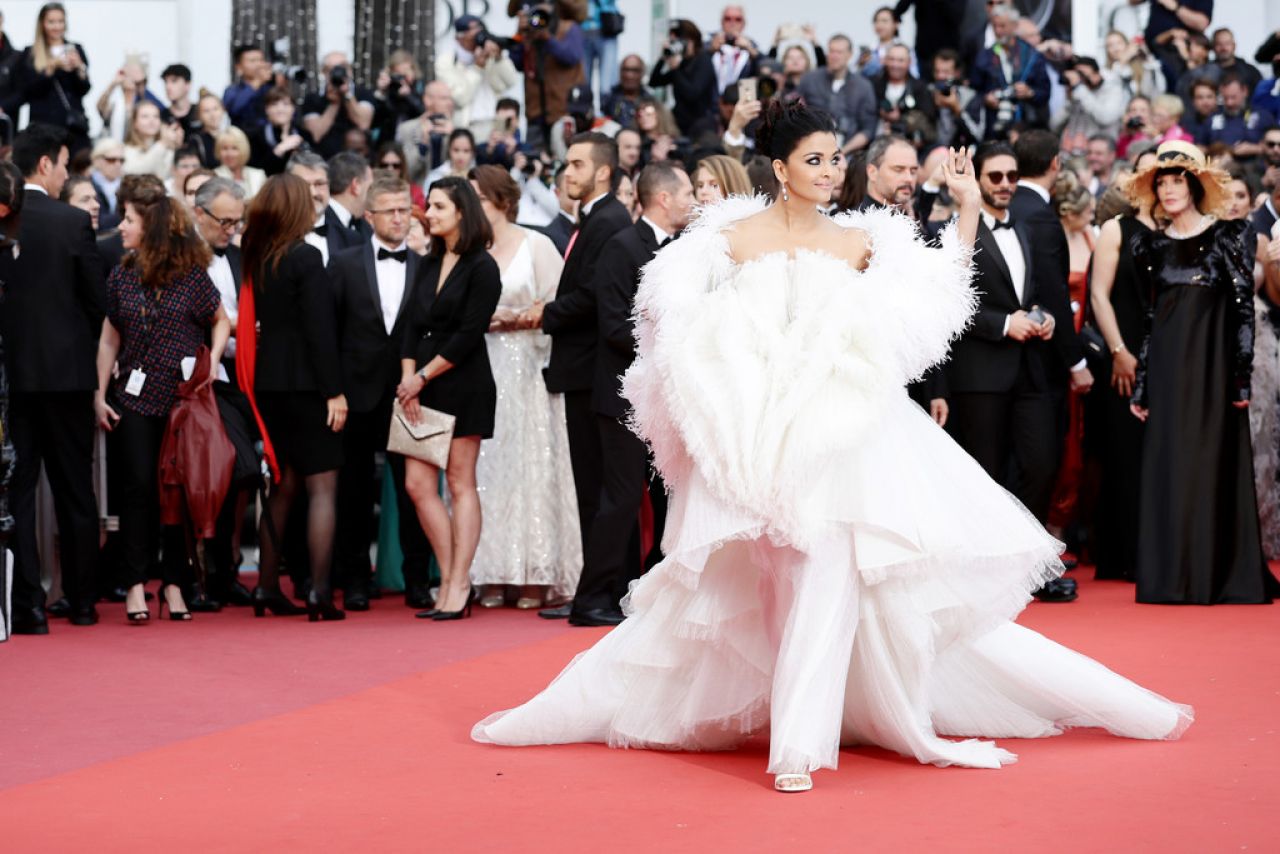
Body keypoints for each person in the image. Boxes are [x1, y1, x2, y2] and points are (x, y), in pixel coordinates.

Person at [471, 100, 1194, 792]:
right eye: (814, 160)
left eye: (835, 160)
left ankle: (799, 742)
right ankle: (778, 708)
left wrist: (967, 205)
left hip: (849, 441)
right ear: (780, 169)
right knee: (759, 589)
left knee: (826, 574)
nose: (829, 172)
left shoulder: (861, 241)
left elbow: (940, 291)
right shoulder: (728, 241)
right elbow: (674, 334)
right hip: (758, 443)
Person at [1127, 140, 1275, 604]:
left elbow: (1243, 313)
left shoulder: (1230, 236)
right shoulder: (1147, 245)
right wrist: (1145, 384)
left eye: (1176, 181)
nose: (1169, 190)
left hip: (1213, 372)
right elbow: (1150, 320)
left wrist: (1241, 376)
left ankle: (1213, 576)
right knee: (1170, 468)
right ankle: (1170, 578)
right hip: (1169, 373)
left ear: (1193, 184)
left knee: (1210, 466)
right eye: (1161, 183)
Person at [560, 161, 693, 627]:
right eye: (688, 192)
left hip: (663, 397)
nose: (693, 200)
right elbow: (613, 325)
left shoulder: (681, 250)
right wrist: (674, 342)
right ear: (664, 198)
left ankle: (635, 593)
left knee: (661, 498)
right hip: (622, 396)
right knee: (619, 498)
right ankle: (589, 598)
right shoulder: (621, 247)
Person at [93, 181, 229, 623]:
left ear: (152, 227)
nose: (122, 227)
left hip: (179, 400)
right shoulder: (121, 274)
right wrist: (98, 393)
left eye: (130, 220)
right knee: (135, 490)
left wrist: (206, 371)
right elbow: (109, 339)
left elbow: (220, 320)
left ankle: (174, 583)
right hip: (131, 399)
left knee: (175, 493)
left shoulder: (192, 277)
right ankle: (135, 585)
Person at [519, 133, 632, 619]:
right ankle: (604, 591)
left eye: (577, 164)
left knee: (602, 490)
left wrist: (546, 313)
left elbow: (592, 296)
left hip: (593, 370)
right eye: (566, 164)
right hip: (585, 368)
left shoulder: (609, 220)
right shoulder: (599, 218)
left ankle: (601, 593)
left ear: (603, 172)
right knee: (595, 489)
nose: (567, 172)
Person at [3, 125, 106, 633]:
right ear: (44, 164)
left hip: (14, 381)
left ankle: (28, 609)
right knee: (75, 489)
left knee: (17, 493)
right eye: (65, 164)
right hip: (67, 377)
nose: (69, 174)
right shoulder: (71, 222)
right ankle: (84, 603)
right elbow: (96, 302)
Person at [464, 165, 581, 610]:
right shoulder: (468, 249)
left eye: (477, 196)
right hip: (482, 366)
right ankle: (488, 572)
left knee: (530, 468)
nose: (471, 205)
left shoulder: (537, 244)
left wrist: (526, 316)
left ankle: (535, 573)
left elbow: (560, 303)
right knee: (484, 471)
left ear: (501, 199)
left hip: (529, 369)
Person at [238, 174, 349, 621]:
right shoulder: (305, 257)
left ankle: (266, 586)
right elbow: (320, 332)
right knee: (323, 485)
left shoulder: (257, 257)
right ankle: (320, 592)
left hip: (269, 385)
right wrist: (335, 392)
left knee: (282, 487)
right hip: (307, 385)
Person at [395, 177, 502, 621]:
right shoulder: (426, 262)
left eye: (438, 206)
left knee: (460, 482)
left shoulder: (482, 267)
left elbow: (466, 336)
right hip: (417, 387)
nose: (429, 213)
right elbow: (407, 326)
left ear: (462, 212)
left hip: (463, 382)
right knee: (418, 485)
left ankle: (457, 585)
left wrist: (420, 377)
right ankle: (452, 575)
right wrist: (407, 383)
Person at [327, 175, 434, 611]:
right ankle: (355, 579)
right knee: (352, 491)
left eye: (404, 210)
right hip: (356, 396)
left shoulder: (428, 267)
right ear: (368, 216)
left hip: (408, 396)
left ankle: (416, 579)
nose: (398, 218)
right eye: (389, 210)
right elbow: (329, 332)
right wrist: (334, 392)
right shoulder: (344, 263)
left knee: (415, 491)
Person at [1087, 149, 1158, 581]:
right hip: (1124, 357)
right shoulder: (1116, 228)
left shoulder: (1178, 231)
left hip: (1167, 357)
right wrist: (1118, 351)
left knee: (1162, 455)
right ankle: (1124, 554)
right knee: (1126, 455)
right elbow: (1098, 295)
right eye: (1146, 168)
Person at [188, 177, 256, 609]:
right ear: (199, 213)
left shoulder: (239, 257)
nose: (230, 229)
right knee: (204, 475)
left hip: (237, 374)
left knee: (240, 472)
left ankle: (223, 569)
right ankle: (194, 574)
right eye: (224, 221)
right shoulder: (179, 257)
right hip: (191, 378)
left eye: (237, 222)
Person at [1045, 172, 1095, 546]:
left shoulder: (1091, 238)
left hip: (1088, 345)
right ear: (1070, 214)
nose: (1091, 219)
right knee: (1062, 438)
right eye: (1088, 213)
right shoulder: (1054, 240)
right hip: (1059, 346)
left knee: (1083, 436)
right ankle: (1053, 523)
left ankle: (1077, 521)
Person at [506, 0, 586, 151]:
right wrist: (519, 34)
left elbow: (572, 56)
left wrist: (548, 38)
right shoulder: (528, 34)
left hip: (563, 111)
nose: (539, 19)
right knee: (534, 158)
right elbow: (516, 63)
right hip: (535, 113)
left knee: (564, 159)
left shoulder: (569, 27)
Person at [15, 3, 91, 155]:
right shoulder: (30, 53)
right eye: (51, 22)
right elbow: (29, 90)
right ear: (42, 24)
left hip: (72, 127)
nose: (57, 26)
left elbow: (84, 88)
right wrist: (51, 68)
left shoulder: (76, 49)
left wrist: (79, 67)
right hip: (44, 127)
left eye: (60, 21)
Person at [969, 5, 1051, 140]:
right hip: (994, 127)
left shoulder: (1031, 56)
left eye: (1002, 26)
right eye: (994, 26)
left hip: (1027, 128)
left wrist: (1029, 92)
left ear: (1014, 26)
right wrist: (985, 98)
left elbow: (1045, 92)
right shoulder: (985, 56)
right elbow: (973, 90)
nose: (998, 31)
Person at [434, 16, 519, 141]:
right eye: (473, 33)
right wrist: (477, 68)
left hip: (496, 124)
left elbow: (511, 81)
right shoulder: (446, 62)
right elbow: (460, 98)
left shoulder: (491, 55)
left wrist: (499, 58)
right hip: (468, 126)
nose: (478, 37)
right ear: (459, 38)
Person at [798, 35, 877, 156]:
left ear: (849, 55)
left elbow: (868, 129)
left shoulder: (863, 87)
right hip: (811, 150)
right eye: (831, 51)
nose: (834, 56)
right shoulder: (809, 80)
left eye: (839, 52)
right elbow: (796, 115)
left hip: (849, 154)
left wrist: (842, 152)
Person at [1252, 226, 1280, 560]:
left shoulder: (1260, 239)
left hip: (1260, 340)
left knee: (1264, 433)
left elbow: (1274, 292)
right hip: (1218, 338)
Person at [287, 151, 359, 266]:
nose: (313, 193)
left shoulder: (351, 240)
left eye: (319, 184)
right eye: (304, 185)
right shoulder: (274, 239)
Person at [648, 19, 717, 138]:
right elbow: (654, 82)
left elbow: (693, 93)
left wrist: (675, 70)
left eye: (680, 40)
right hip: (680, 123)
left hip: (701, 125)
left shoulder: (703, 60)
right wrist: (663, 58)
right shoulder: (681, 64)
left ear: (692, 40)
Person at [301, 52, 375, 159]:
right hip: (325, 159)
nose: (337, 72)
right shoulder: (312, 99)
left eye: (342, 67)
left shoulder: (364, 93)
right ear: (324, 72)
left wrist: (347, 94)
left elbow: (363, 124)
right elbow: (315, 135)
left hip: (358, 159)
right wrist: (334, 103)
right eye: (331, 69)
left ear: (350, 70)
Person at [871, 43, 937, 144]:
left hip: (909, 143)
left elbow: (929, 118)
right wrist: (880, 112)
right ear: (885, 60)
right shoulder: (874, 83)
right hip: (874, 140)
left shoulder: (920, 88)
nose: (895, 65)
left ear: (909, 62)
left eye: (900, 60)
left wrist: (901, 119)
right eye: (891, 59)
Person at [397, 81, 455, 185]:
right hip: (419, 193)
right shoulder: (407, 129)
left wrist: (453, 137)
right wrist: (423, 143)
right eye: (444, 98)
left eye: (450, 98)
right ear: (427, 100)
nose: (450, 103)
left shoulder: (457, 130)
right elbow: (407, 172)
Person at [249, 88, 310, 176]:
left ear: (293, 109)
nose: (280, 109)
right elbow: (255, 172)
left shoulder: (304, 135)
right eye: (274, 104)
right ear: (266, 109)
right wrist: (280, 149)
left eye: (286, 104)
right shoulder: (256, 137)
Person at [371, 49, 426, 143]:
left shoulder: (419, 90)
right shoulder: (387, 91)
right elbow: (375, 121)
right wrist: (381, 93)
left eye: (405, 74)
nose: (402, 79)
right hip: (388, 141)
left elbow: (422, 113)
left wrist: (409, 96)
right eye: (398, 75)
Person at [122, 101, 184, 177]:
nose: (152, 120)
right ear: (134, 123)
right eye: (145, 116)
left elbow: (166, 176)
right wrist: (163, 144)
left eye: (156, 116)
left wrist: (176, 146)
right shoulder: (126, 150)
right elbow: (134, 173)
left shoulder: (166, 147)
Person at [222, 45, 272, 133]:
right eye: (252, 61)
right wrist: (257, 82)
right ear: (239, 67)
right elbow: (234, 109)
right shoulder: (232, 91)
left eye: (261, 60)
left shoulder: (270, 89)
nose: (259, 65)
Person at [859, 7, 920, 79]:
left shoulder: (905, 50)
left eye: (884, 21)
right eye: (876, 21)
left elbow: (914, 75)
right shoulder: (868, 50)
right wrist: (861, 65)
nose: (879, 25)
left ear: (896, 24)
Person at [213, 126, 266, 199]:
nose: (229, 154)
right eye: (224, 148)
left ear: (243, 149)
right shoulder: (214, 176)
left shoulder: (258, 175)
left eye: (234, 148)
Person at [601, 55, 650, 130]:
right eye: (626, 70)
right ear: (620, 72)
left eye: (634, 70)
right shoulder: (609, 98)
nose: (629, 75)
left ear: (642, 73)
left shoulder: (649, 100)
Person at [374, 141, 428, 209]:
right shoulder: (370, 194)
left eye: (396, 166)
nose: (390, 169)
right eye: (384, 165)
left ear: (402, 167)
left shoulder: (415, 193)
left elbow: (422, 215)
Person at [89, 138, 125, 229]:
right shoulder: (86, 185)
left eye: (121, 160)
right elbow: (99, 222)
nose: (118, 164)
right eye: (111, 160)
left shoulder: (127, 186)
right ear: (97, 160)